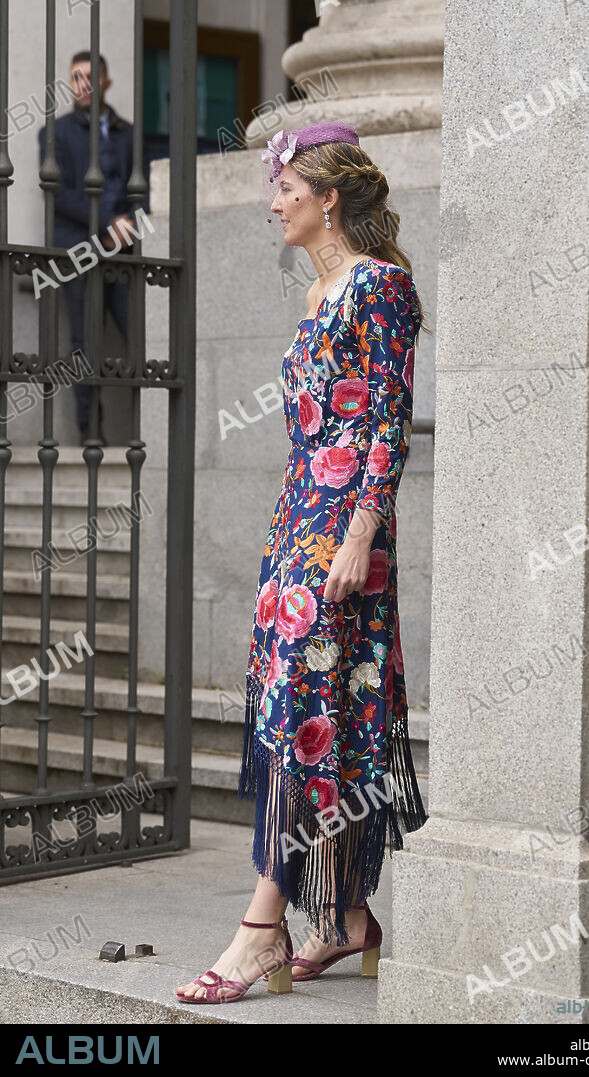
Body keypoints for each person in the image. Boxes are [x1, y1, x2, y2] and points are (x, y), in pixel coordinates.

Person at [176, 121, 428, 1005]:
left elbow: (385, 423)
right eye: (273, 184)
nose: (271, 199)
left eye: (286, 185)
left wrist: (360, 532)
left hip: (343, 533)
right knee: (305, 708)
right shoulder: (318, 292)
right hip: (298, 525)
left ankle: (261, 930)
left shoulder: (379, 286)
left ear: (329, 198)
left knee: (309, 717)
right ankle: (344, 919)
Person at [38, 52, 150, 444]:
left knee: (140, 340)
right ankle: (91, 434)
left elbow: (144, 192)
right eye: (76, 78)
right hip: (78, 251)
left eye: (90, 77)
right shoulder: (55, 133)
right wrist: (106, 224)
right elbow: (59, 195)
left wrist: (129, 225)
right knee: (84, 343)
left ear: (106, 82)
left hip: (124, 253)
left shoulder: (128, 132)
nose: (83, 84)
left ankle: (147, 433)